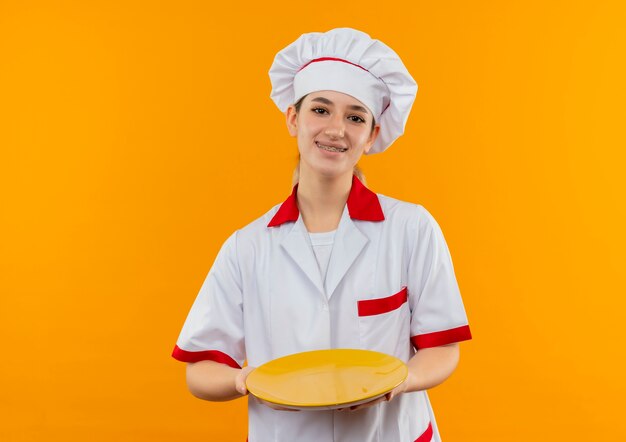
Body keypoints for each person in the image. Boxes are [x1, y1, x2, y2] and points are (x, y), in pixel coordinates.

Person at [172, 28, 472, 442]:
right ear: (293, 118)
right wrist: (247, 380)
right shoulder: (247, 247)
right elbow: (200, 371)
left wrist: (398, 382)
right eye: (320, 110)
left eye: (355, 117)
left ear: (371, 136)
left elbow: (442, 349)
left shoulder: (411, 228)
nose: (335, 129)